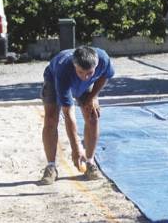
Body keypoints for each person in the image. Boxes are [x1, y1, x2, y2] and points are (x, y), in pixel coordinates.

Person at [39, 46, 115, 185]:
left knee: (93, 115)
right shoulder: (63, 69)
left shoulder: (103, 59)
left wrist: (93, 96)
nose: (85, 76)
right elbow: (68, 113)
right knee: (51, 119)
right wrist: (76, 148)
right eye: (81, 72)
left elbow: (105, 76)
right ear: (75, 66)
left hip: (85, 86)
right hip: (54, 79)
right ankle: (51, 166)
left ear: (96, 66)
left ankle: (90, 163)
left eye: (90, 73)